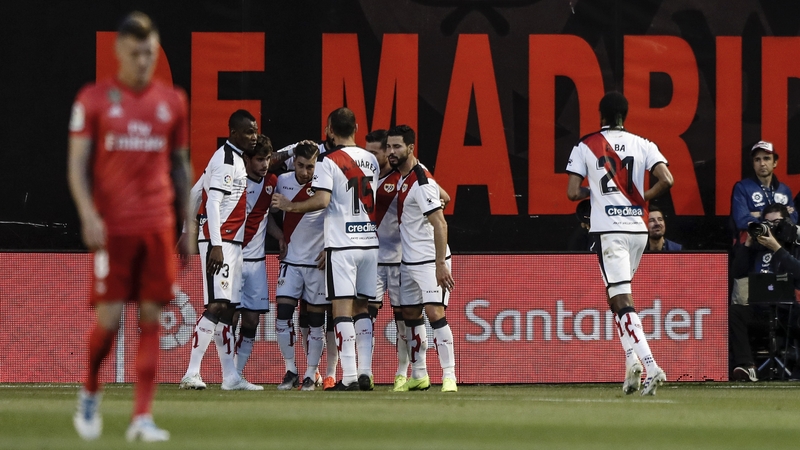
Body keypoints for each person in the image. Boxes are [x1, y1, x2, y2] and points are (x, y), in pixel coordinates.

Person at [68, 11, 191, 442]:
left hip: (157, 224)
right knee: (109, 320)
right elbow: (77, 164)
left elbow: (179, 165)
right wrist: (87, 214)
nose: (144, 61)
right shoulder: (94, 99)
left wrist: (187, 222)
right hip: (114, 227)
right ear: (121, 51)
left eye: (150, 53)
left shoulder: (172, 101)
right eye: (137, 52)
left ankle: (142, 417)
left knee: (152, 317)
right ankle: (90, 390)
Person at [566, 91, 674, 396]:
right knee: (617, 298)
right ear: (624, 116)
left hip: (609, 231)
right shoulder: (644, 144)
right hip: (638, 231)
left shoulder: (586, 145)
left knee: (623, 300)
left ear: (601, 114)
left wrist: (597, 194)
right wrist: (641, 198)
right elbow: (667, 179)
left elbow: (573, 192)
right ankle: (631, 365)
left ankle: (651, 365)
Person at [272, 107, 379, 391]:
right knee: (363, 309)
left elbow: (321, 200)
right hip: (369, 241)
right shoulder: (371, 160)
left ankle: (350, 376)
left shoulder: (327, 161)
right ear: (356, 127)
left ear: (329, 130)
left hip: (343, 244)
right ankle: (367, 371)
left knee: (342, 310)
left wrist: (289, 206)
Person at [178, 109, 262, 391]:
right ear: (234, 133)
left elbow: (193, 193)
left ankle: (230, 378)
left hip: (231, 243)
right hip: (221, 242)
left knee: (227, 311)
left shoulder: (232, 157)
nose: (254, 136)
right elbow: (211, 203)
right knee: (215, 306)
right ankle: (191, 373)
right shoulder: (227, 160)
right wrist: (214, 244)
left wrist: (186, 231)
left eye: (255, 130)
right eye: (249, 131)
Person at [387, 125, 458, 393]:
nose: (392, 152)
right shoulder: (408, 176)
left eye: (397, 147)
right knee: (409, 314)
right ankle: (419, 374)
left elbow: (440, 224)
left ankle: (449, 376)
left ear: (410, 148)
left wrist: (440, 263)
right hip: (409, 261)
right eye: (389, 147)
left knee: (434, 313)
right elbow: (446, 198)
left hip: (430, 261)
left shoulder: (420, 182)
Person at [273, 143, 331, 391]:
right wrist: (279, 236)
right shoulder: (282, 181)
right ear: (293, 162)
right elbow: (264, 215)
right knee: (282, 316)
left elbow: (337, 216)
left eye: (311, 167)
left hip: (317, 263)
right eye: (301, 165)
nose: (306, 172)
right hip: (291, 262)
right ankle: (290, 370)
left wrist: (330, 247)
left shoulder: (325, 183)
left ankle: (311, 373)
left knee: (316, 321)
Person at [231, 134, 286, 380]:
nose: (264, 164)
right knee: (228, 317)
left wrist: (281, 236)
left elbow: (266, 216)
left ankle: (237, 373)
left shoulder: (272, 182)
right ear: (247, 159)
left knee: (251, 320)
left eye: (267, 159)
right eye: (259, 159)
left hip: (256, 262)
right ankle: (226, 371)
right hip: (232, 259)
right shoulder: (234, 181)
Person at [729, 203, 800, 381]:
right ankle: (747, 366)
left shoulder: (795, 245)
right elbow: (737, 273)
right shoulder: (756, 247)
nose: (772, 228)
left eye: (776, 223)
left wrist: (777, 247)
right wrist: (748, 244)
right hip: (760, 309)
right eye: (768, 223)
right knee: (735, 312)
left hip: (789, 312)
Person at [730, 141, 797, 245]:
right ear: (753, 164)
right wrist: (777, 219)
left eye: (766, 158)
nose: (762, 164)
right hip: (752, 246)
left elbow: (793, 219)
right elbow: (742, 220)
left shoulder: (784, 190)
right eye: (757, 160)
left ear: (775, 162)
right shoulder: (742, 187)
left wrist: (758, 214)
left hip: (780, 246)